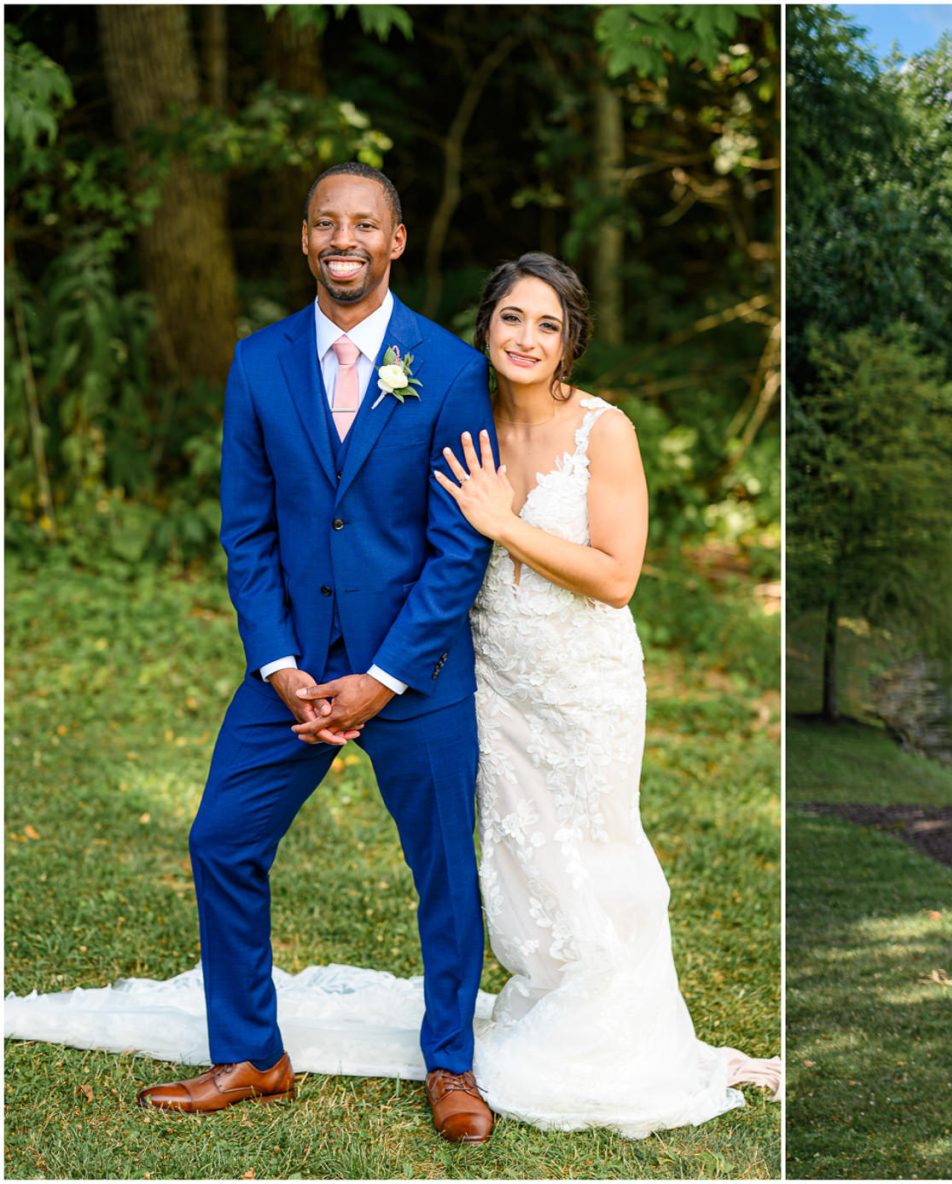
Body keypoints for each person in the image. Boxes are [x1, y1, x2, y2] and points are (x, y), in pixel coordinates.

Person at [3, 166, 777, 1142]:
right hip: (291, 673)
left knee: (447, 868)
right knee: (220, 838)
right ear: (303, 238)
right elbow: (247, 534)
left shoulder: (451, 369)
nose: (345, 236)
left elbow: (461, 547)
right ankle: (252, 1052)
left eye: (364, 222)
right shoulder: (257, 362)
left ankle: (451, 1060)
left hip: (417, 672)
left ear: (395, 241)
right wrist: (281, 664)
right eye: (326, 221)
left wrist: (379, 679)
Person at [431, 250, 783, 1134]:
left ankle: (613, 1030)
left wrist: (504, 524)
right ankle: (549, 996)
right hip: (495, 681)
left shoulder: (604, 431)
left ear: (571, 341)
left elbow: (618, 576)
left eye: (548, 324)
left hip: (583, 686)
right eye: (513, 317)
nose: (526, 337)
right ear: (487, 324)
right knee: (521, 856)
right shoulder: (458, 416)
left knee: (598, 848)